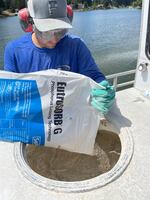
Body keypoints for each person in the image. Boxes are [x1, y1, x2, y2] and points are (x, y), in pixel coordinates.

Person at [4, 0, 115, 115]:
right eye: (46, 33)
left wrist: (102, 88)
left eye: (60, 31)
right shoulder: (14, 51)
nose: (54, 39)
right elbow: (10, 93)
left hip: (70, 116)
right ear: (30, 23)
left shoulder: (76, 46)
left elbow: (95, 76)